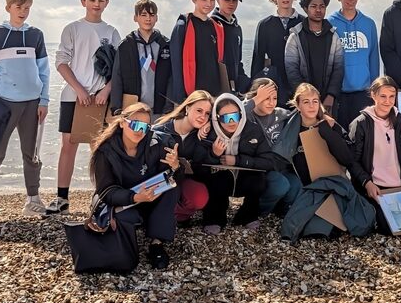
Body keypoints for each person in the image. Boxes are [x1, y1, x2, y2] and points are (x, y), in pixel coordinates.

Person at [0, 0, 50, 223]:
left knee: (32, 154)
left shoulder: (36, 35)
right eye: (19, 7)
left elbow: (44, 71)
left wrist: (44, 100)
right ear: (8, 8)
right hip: (4, 105)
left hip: (32, 104)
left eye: (27, 8)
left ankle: (33, 201)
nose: (23, 11)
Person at [48, 0, 121, 215]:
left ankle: (101, 196)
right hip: (73, 96)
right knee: (68, 145)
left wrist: (106, 90)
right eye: (92, 0)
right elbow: (61, 62)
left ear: (107, 2)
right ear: (83, 2)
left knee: (98, 148)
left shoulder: (111, 32)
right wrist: (79, 89)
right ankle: (62, 198)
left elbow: (118, 68)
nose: (96, 4)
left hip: (99, 99)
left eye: (101, 0)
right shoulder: (72, 29)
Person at [89, 102, 180, 269]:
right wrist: (135, 197)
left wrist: (174, 166)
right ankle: (125, 245)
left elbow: (170, 177)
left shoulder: (157, 143)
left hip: (149, 197)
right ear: (122, 123)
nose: (140, 131)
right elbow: (105, 192)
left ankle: (157, 242)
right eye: (135, 125)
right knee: (126, 217)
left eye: (145, 127)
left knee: (171, 189)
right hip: (122, 201)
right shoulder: (106, 151)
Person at [347, 76, 401, 235]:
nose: (388, 101)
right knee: (387, 229)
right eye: (383, 96)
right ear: (373, 95)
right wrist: (367, 183)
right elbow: (352, 161)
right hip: (376, 187)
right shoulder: (360, 123)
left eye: (392, 96)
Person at [200, 93, 277, 233]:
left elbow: (268, 161)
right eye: (225, 117)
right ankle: (214, 218)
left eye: (235, 116)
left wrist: (238, 160)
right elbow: (199, 165)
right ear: (216, 118)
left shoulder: (253, 129)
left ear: (241, 114)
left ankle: (247, 215)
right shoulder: (208, 132)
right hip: (221, 179)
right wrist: (214, 154)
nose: (231, 122)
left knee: (258, 181)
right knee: (215, 180)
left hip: (245, 177)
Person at [271, 83, 358, 200]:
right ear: (298, 105)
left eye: (315, 101)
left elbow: (347, 159)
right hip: (303, 187)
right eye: (306, 102)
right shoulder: (289, 129)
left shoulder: (330, 125)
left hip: (332, 184)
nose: (311, 106)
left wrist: (328, 132)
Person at [152, 90, 215, 225]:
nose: (202, 116)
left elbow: (201, 166)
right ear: (187, 108)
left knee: (199, 196)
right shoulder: (160, 130)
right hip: (160, 179)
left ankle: (179, 216)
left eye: (207, 114)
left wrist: (210, 125)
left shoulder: (204, 134)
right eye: (199, 110)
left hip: (185, 180)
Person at [328, 0, 380, 129]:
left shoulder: (369, 24)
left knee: (363, 135)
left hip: (364, 92)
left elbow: (373, 58)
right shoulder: (330, 23)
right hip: (339, 93)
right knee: (341, 136)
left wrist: (375, 89)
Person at [284, 0, 344, 115]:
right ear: (306, 9)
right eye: (313, 6)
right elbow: (291, 70)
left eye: (322, 6)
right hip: (304, 102)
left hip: (328, 102)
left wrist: (331, 95)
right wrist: (306, 98)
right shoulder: (295, 36)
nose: (318, 10)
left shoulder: (333, 35)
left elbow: (338, 68)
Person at [110, 0, 172, 119]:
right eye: (143, 15)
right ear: (135, 18)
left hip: (159, 110)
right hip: (133, 109)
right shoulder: (126, 46)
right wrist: (116, 108)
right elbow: (117, 77)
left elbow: (171, 77)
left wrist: (168, 107)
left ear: (156, 18)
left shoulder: (165, 45)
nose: (148, 18)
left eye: (152, 15)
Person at [243, 78, 296, 216]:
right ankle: (258, 211)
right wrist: (255, 100)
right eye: (266, 98)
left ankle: (279, 209)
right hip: (258, 170)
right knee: (280, 185)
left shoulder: (281, 114)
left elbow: (304, 115)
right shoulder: (248, 115)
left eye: (275, 98)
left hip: (279, 167)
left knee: (296, 186)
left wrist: (323, 117)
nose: (271, 103)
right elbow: (235, 113)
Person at [169, 0, 226, 103]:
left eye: (212, 0)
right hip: (192, 95)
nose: (209, 4)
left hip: (214, 94)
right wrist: (180, 99)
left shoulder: (216, 27)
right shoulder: (183, 26)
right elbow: (176, 65)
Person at [250, 0, 303, 105]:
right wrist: (254, 88)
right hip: (274, 82)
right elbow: (258, 58)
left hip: (299, 82)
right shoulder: (264, 24)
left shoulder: (303, 22)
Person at [210, 0, 251, 93]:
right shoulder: (211, 25)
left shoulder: (237, 29)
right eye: (227, 0)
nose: (231, 3)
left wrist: (244, 82)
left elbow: (238, 60)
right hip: (215, 84)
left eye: (234, 0)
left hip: (233, 85)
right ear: (218, 0)